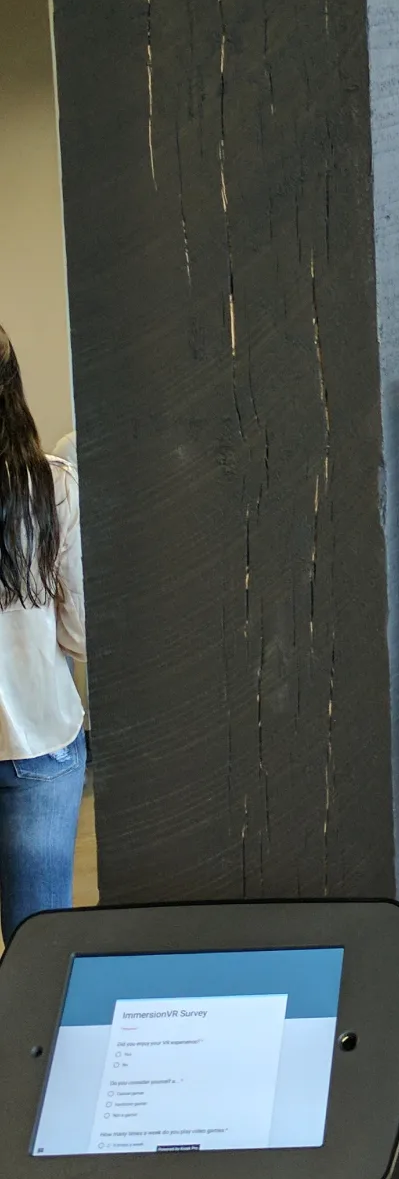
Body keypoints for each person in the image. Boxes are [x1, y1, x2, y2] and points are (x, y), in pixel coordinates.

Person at [0, 325, 87, 945]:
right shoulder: (52, 485)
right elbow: (80, 635)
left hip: (41, 746)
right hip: (39, 742)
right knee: (38, 953)